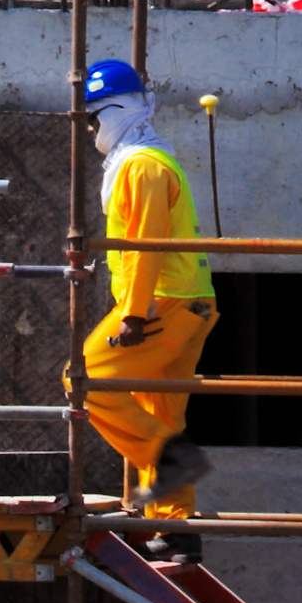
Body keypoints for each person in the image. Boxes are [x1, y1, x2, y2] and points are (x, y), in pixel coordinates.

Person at [74, 58, 216, 518]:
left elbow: (146, 242)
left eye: (93, 117)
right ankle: (175, 529)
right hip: (187, 303)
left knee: (83, 378)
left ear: (114, 111)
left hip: (164, 303)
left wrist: (135, 313)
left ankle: (171, 458)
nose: (90, 128)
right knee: (162, 413)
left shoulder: (142, 167)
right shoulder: (148, 160)